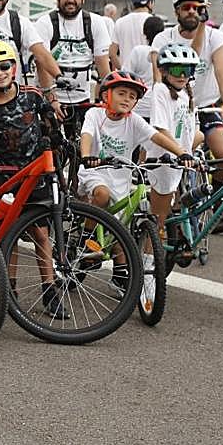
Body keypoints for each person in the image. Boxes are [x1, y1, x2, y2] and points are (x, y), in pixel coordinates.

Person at [0, 40, 64, 316]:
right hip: (4, 178)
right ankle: (10, 289)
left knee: (40, 234)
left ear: (14, 68)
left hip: (34, 175)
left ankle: (50, 290)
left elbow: (49, 120)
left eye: (5, 66)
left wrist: (54, 138)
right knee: (9, 234)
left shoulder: (32, 95)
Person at [79, 70, 188, 306]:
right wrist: (87, 156)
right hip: (95, 172)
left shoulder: (133, 120)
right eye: (121, 93)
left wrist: (181, 153)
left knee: (123, 224)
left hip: (122, 177)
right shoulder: (95, 115)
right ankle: (85, 237)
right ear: (106, 95)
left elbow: (157, 137)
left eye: (132, 96)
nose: (127, 99)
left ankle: (120, 273)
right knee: (102, 195)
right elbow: (86, 136)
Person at [150, 0, 223, 194]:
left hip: (206, 106)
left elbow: (221, 73)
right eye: (186, 7)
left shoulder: (216, 37)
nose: (192, 11)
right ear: (177, 11)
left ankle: (213, 198)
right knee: (161, 159)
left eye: (197, 7)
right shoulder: (163, 38)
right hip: (173, 106)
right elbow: (159, 78)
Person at [140, 43, 202, 252]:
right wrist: (182, 152)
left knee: (165, 215)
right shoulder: (159, 90)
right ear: (164, 71)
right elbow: (159, 129)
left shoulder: (186, 96)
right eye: (176, 70)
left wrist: (192, 152)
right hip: (163, 163)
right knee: (158, 221)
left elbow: (189, 132)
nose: (182, 75)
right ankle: (147, 274)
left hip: (178, 162)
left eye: (188, 70)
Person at [32, 0, 112, 117]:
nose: (70, 0)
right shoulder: (45, 23)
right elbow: (42, 63)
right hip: (51, 96)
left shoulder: (95, 22)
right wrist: (52, 100)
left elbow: (103, 64)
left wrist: (109, 98)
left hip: (83, 98)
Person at [112, 0, 158, 70]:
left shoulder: (120, 22)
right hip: (149, 75)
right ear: (150, 3)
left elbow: (112, 53)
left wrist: (123, 69)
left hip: (128, 77)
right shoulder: (154, 22)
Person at [123, 15, 166, 86]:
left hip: (141, 94)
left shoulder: (138, 51)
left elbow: (125, 73)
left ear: (144, 32)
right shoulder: (166, 52)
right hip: (161, 94)